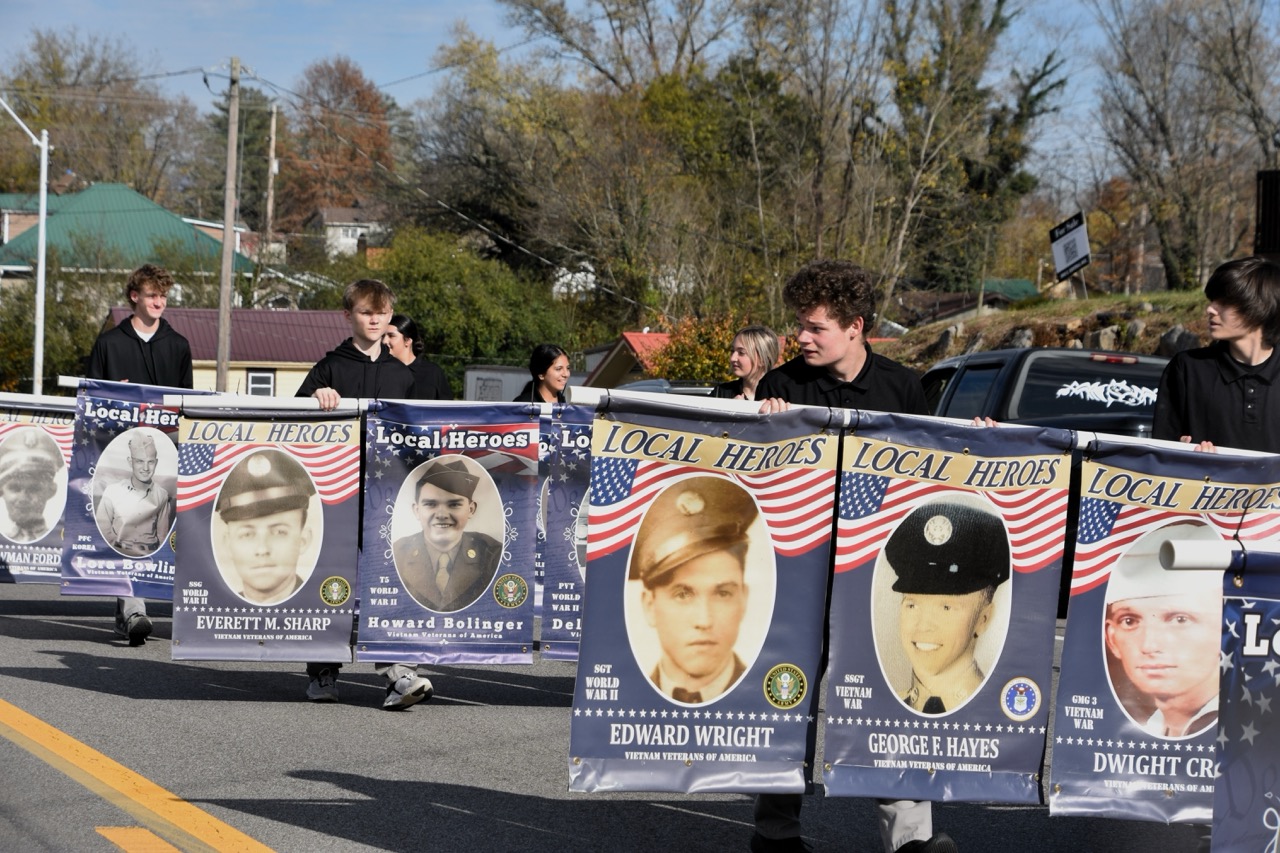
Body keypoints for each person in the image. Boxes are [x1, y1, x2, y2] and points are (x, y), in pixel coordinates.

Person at [753, 259, 952, 853]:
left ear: (855, 327)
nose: (801, 337)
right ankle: (775, 834)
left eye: (815, 327)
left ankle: (909, 840)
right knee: (786, 696)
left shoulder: (904, 387)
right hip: (799, 572)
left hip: (880, 573)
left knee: (892, 698)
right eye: (799, 325)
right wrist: (763, 431)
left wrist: (982, 439)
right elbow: (756, 480)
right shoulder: (781, 385)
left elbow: (935, 472)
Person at [296, 278, 428, 709]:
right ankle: (322, 672)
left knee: (389, 581)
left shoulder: (402, 375)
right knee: (330, 580)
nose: (374, 320)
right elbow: (291, 425)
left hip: (387, 496)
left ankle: (397, 672)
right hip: (335, 494)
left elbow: (417, 439)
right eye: (365, 312)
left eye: (381, 313)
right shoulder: (329, 367)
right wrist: (314, 397)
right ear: (348, 315)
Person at [85, 263, 193, 647]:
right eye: (151, 295)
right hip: (119, 452)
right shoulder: (109, 344)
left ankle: (129, 613)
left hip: (166, 450)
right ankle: (133, 610)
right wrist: (114, 396)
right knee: (128, 527)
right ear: (135, 297)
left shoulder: (178, 345)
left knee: (160, 530)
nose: (159, 302)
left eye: (163, 296)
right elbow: (91, 399)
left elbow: (187, 404)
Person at [630, 477, 755, 703]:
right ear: (649, 606)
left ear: (744, 600)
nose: (704, 621)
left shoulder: (764, 702)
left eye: (723, 594)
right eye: (682, 594)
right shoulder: (628, 701)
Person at [883, 501, 1008, 715]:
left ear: (983, 619)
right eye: (912, 605)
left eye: (946, 608)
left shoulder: (997, 714)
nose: (924, 625)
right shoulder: (882, 710)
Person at [1103, 523, 1222, 739]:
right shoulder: (1153, 727)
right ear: (1112, 639)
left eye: (1180, 619)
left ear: (1224, 626)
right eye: (1129, 621)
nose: (1150, 646)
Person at [1153, 256, 1280, 453]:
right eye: (1212, 300)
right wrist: (1182, 455)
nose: (1210, 309)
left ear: (1260, 307)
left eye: (1225, 302)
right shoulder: (1188, 368)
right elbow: (1160, 453)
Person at [394, 459, 501, 613]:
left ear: (471, 509)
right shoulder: (397, 553)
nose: (442, 515)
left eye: (454, 504)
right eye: (430, 504)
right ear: (417, 510)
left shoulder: (492, 554)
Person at [216, 449, 317, 606]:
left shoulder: (319, 607)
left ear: (303, 540)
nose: (262, 549)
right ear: (228, 545)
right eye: (247, 534)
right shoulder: (218, 608)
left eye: (279, 532)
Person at [96, 432, 172, 559]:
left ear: (156, 463)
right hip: (117, 553)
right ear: (130, 462)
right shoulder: (112, 491)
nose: (145, 468)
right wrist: (115, 551)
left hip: (150, 556)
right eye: (139, 461)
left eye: (150, 462)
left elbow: (163, 535)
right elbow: (102, 529)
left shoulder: (162, 495)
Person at [0, 429, 63, 543]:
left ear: (51, 491)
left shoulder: (60, 540)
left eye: (34, 489)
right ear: (1, 490)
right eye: (14, 488)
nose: (23, 498)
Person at [384, 314, 452, 400]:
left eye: (391, 336)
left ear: (407, 341)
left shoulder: (433, 373)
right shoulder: (382, 372)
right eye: (383, 336)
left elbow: (447, 406)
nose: (384, 341)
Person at [710, 325, 780, 401]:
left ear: (763, 359)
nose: (733, 358)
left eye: (741, 352)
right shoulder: (720, 393)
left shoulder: (781, 396)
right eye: (732, 351)